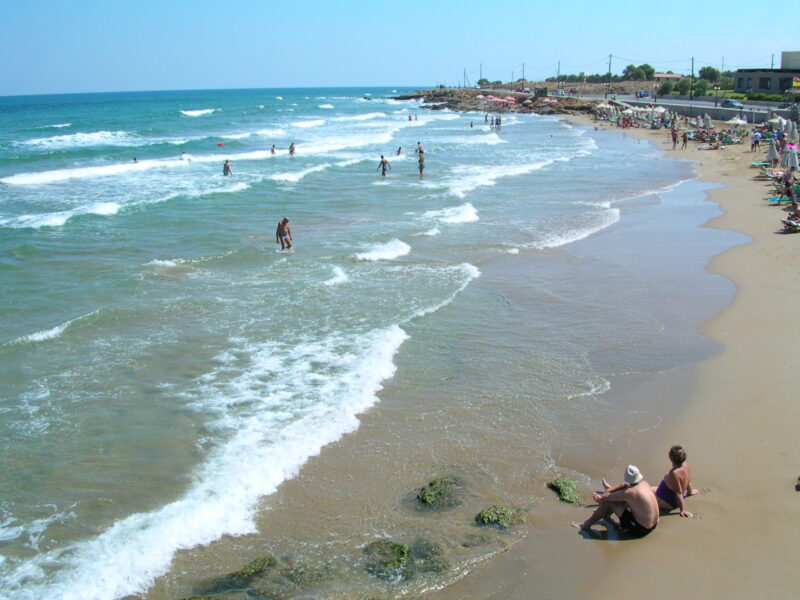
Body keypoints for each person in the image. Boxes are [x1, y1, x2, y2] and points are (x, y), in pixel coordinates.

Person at [571, 465, 659, 538]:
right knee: (621, 498)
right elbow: (624, 485)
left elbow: (606, 499)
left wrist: (600, 498)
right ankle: (605, 513)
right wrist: (609, 490)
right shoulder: (644, 484)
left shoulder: (631, 493)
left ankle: (586, 524)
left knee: (609, 503)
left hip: (641, 529)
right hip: (654, 524)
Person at [653, 445, 700, 518]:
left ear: (670, 458)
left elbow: (678, 493)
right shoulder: (686, 465)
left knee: (645, 497)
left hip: (669, 502)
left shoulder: (674, 473)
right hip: (669, 493)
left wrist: (682, 510)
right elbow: (688, 480)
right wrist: (690, 492)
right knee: (648, 488)